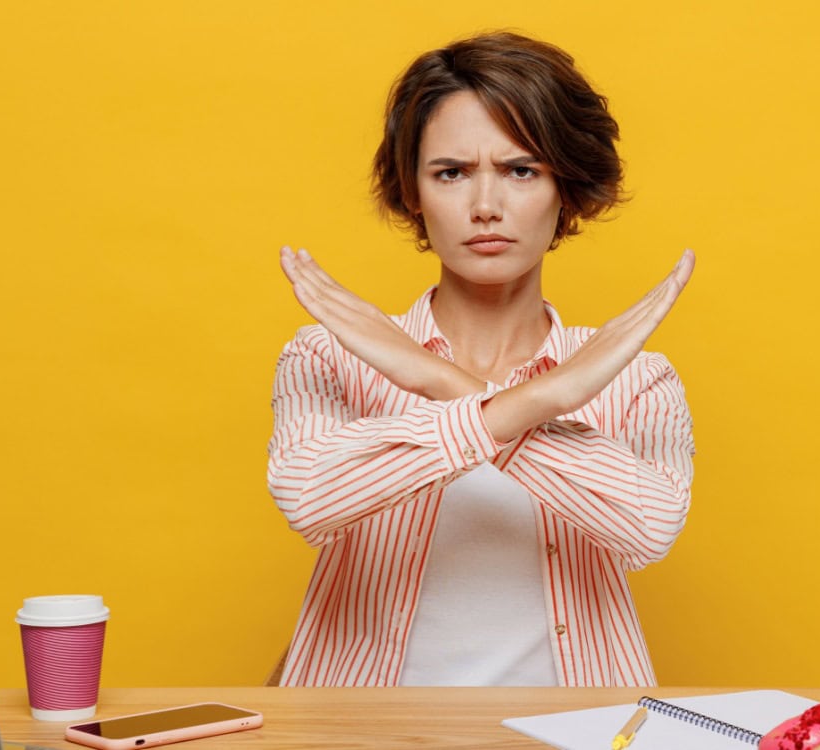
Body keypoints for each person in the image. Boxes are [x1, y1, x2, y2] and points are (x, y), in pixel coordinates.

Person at [268, 31, 695, 687]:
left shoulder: (634, 375)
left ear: (565, 190)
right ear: (413, 191)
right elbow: (308, 497)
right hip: (360, 730)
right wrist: (530, 403)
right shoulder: (331, 354)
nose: (486, 207)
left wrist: (440, 383)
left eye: (521, 170)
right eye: (451, 173)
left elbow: (649, 529)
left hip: (574, 731)